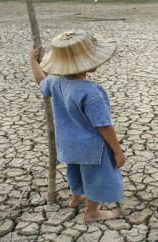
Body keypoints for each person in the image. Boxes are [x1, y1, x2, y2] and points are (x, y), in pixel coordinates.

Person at [29, 30, 125, 222]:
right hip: (91, 148)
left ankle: (75, 197)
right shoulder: (92, 92)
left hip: (67, 143)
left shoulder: (56, 81)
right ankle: (91, 212)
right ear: (90, 63)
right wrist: (117, 150)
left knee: (74, 170)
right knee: (94, 177)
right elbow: (104, 126)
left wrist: (33, 61)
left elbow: (42, 82)